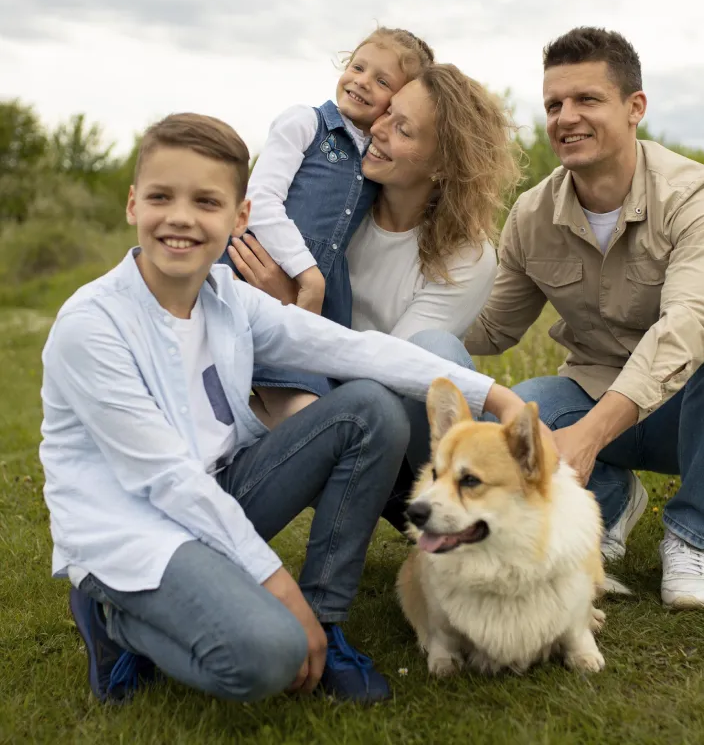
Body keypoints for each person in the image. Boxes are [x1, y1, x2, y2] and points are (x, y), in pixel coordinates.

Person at [39, 112, 547, 706]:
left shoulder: (228, 299)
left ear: (239, 218)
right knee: (269, 656)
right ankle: (110, 615)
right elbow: (167, 483)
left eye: (206, 202)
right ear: (133, 205)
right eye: (161, 197)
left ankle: (327, 622)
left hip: (222, 491)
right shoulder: (92, 327)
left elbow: (353, 348)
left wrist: (494, 395)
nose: (180, 218)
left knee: (371, 409)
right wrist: (278, 588)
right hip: (135, 524)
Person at [459, 27, 704, 610]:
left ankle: (691, 534)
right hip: (592, 395)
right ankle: (609, 498)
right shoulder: (531, 214)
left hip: (688, 415)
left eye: (586, 100)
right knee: (524, 409)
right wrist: (396, 301)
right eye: (554, 104)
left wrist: (590, 435)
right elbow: (491, 329)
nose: (565, 117)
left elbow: (689, 328)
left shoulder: (698, 197)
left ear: (635, 108)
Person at [228, 63, 517, 493]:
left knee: (436, 352)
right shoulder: (338, 210)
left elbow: (392, 378)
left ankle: (463, 503)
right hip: (307, 396)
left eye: (404, 129)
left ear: (441, 164)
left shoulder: (468, 256)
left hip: (397, 446)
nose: (378, 129)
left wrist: (291, 310)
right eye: (387, 113)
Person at [219, 27, 435, 426]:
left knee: (306, 413)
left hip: (322, 307)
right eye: (358, 66)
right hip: (257, 272)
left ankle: (240, 443)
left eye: (382, 81)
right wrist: (309, 277)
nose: (362, 82)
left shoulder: (375, 158)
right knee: (307, 417)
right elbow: (260, 202)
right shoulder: (305, 123)